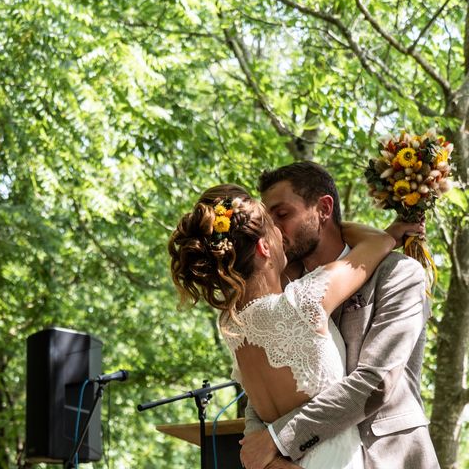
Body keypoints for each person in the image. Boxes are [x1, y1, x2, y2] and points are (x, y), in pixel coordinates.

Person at [168, 182, 423, 469]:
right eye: (272, 227)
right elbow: (375, 245)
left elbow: (257, 411)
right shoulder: (304, 299)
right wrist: (343, 227)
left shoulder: (231, 323)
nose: (280, 231)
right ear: (265, 247)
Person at [239, 161, 439, 469]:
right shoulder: (285, 293)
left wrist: (279, 439)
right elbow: (262, 385)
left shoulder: (398, 274)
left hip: (391, 456)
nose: (274, 231)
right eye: (269, 221)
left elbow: (377, 382)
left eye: (282, 215)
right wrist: (264, 456)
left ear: (323, 208)